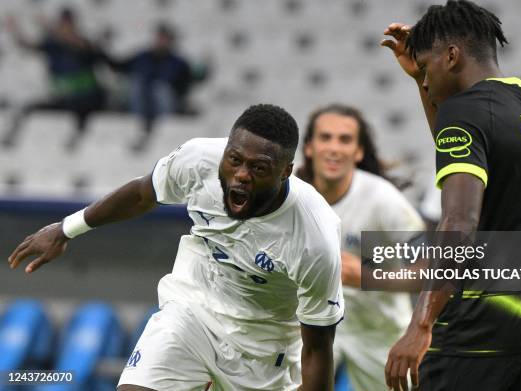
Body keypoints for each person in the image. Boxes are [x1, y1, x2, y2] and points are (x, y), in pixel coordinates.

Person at [8, 104, 344, 391]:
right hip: (191, 312)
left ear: (286, 172)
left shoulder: (318, 236)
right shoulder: (199, 160)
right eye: (234, 159)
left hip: (262, 351)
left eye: (258, 168)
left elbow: (317, 346)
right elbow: (143, 193)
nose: (241, 174)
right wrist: (67, 228)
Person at [380, 1, 521, 390]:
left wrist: (421, 324)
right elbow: (465, 149)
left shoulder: (465, 111)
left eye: (427, 65)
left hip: (479, 325)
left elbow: (459, 222)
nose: (427, 80)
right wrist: (420, 79)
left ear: (451, 56)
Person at [296, 104, 424, 391]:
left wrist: (366, 276)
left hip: (380, 333)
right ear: (308, 147)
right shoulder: (290, 198)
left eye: (345, 140)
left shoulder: (382, 200)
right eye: (325, 137)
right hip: (310, 328)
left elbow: (429, 271)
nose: (334, 148)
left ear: (359, 152)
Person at [2, 8, 107, 150]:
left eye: (68, 25)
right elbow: (28, 46)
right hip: (64, 97)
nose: (65, 29)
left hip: (87, 98)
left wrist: (59, 35)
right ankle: (11, 136)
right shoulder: (53, 45)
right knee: (29, 107)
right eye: (62, 25)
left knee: (82, 108)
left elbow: (89, 51)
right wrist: (15, 30)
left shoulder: (83, 43)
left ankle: (76, 139)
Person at [105, 23, 202, 151]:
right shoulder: (142, 57)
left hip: (164, 106)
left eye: (165, 38)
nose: (161, 41)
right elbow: (119, 66)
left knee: (160, 89)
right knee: (137, 85)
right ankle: (139, 124)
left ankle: (155, 128)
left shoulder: (178, 63)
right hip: (139, 104)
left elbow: (189, 83)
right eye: (160, 37)